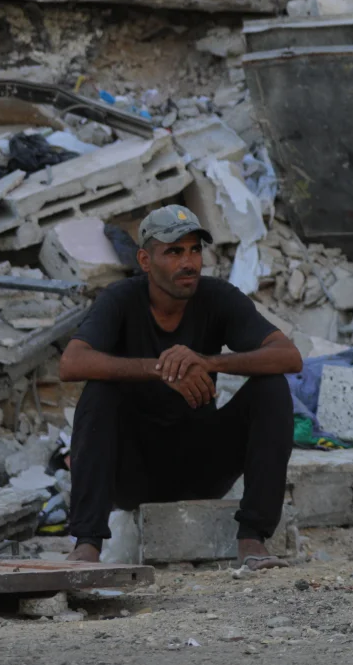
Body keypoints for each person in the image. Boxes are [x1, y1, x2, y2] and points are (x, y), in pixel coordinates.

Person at [60, 205, 303, 568]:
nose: (189, 263)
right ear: (145, 260)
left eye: (194, 250)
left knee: (272, 389)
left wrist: (207, 362)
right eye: (174, 252)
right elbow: (72, 363)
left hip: (201, 466)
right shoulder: (120, 299)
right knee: (100, 392)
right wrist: (161, 370)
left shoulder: (217, 297)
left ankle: (253, 540)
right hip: (134, 473)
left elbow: (289, 356)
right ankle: (86, 545)